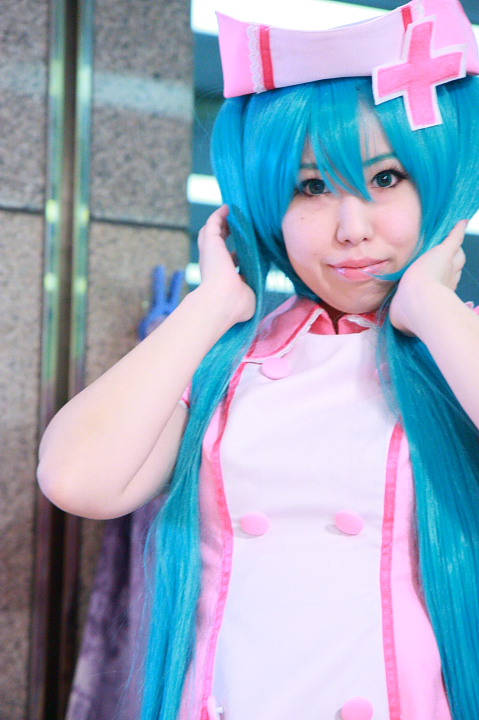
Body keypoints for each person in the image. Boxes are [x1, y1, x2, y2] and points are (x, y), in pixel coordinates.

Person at [37, 0, 479, 718]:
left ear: (441, 181)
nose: (351, 228)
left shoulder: (459, 351)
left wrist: (430, 307)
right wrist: (212, 304)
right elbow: (76, 478)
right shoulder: (227, 366)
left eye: (386, 178)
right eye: (312, 188)